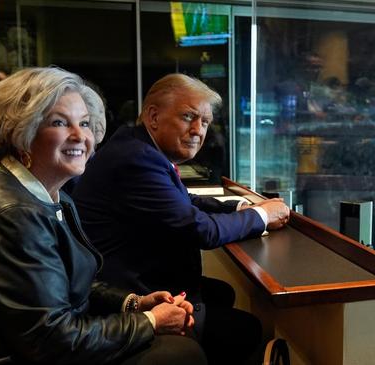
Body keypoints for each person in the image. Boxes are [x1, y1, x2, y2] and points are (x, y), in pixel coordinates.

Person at [0, 67, 206, 365]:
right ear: (21, 131)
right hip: (0, 357)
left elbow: (70, 282)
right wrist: (151, 321)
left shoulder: (51, 193)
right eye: (60, 122)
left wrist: (133, 304)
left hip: (31, 344)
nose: (80, 136)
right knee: (179, 354)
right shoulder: (13, 214)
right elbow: (53, 341)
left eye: (84, 123)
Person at [72, 73, 291, 364]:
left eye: (205, 122)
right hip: (129, 293)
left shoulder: (137, 146)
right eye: (189, 117)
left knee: (221, 293)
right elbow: (200, 231)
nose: (198, 131)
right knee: (246, 329)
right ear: (153, 116)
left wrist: (238, 207)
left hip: (135, 276)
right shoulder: (136, 160)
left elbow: (183, 201)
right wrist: (261, 214)